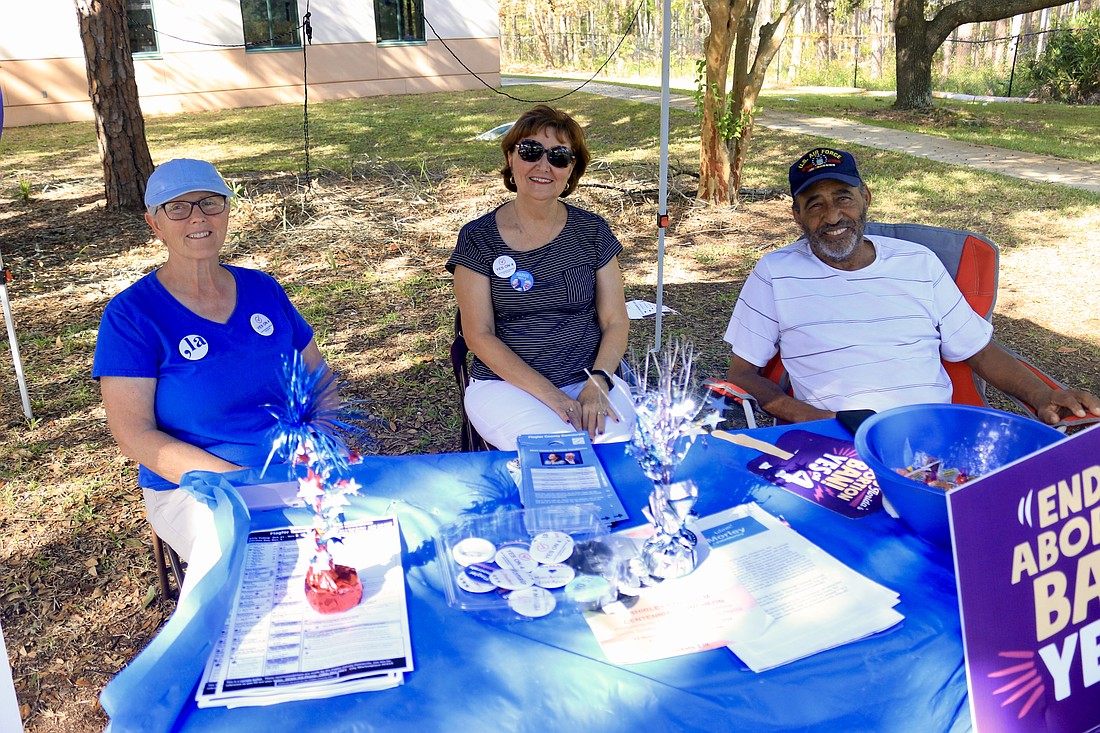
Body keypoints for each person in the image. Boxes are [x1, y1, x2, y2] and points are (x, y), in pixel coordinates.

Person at [723, 146, 1100, 425]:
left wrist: (1043, 395)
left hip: (934, 433)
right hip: (836, 439)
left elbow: (980, 352)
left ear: (865, 198)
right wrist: (810, 417)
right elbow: (741, 374)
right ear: (797, 215)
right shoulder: (775, 273)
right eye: (815, 204)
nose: (833, 216)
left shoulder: (918, 262)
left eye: (843, 198)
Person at [93, 159, 323, 561]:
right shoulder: (132, 315)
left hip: (295, 469)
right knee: (262, 560)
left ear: (227, 210)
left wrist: (320, 444)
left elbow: (317, 378)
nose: (197, 216)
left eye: (209, 202)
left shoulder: (262, 288)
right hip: (196, 488)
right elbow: (133, 435)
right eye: (177, 208)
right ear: (154, 223)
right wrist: (245, 485)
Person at [447, 105, 636, 451]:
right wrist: (554, 398)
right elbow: (479, 335)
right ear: (510, 157)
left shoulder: (592, 231)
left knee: (619, 450)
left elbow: (615, 320)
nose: (543, 165)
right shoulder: (478, 238)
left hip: (588, 379)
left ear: (572, 169)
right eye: (531, 151)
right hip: (506, 387)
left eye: (559, 156)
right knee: (559, 454)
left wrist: (598, 383)